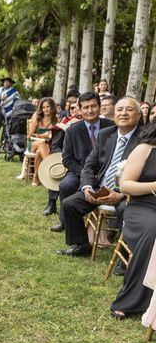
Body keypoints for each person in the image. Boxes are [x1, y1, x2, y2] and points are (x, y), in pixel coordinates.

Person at [58, 97, 142, 257]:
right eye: (120, 109)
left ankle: (124, 257)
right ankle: (82, 246)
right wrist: (87, 187)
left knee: (127, 211)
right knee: (70, 204)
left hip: (125, 193)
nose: (123, 113)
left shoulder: (144, 139)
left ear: (138, 115)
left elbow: (146, 174)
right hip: (100, 189)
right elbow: (90, 165)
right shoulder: (106, 134)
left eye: (129, 110)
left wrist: (123, 194)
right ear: (114, 114)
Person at [110, 121, 156, 318]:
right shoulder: (145, 149)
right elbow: (126, 185)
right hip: (143, 207)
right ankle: (131, 300)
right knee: (154, 231)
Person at [47, 92, 114, 228]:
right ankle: (65, 221)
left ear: (99, 107)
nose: (90, 110)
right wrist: (84, 173)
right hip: (79, 170)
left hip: (107, 172)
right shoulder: (72, 130)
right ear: (80, 110)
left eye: (93, 106)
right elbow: (67, 159)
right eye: (86, 107)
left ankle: (111, 227)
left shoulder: (112, 127)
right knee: (66, 185)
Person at [28, 98, 58, 186]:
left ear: (52, 107)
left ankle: (36, 177)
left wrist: (47, 137)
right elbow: (30, 135)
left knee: (39, 152)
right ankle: (50, 167)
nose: (46, 109)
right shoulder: (37, 118)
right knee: (41, 144)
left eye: (48, 107)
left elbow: (56, 136)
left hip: (48, 144)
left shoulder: (56, 119)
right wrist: (42, 135)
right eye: (44, 107)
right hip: (34, 143)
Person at [0, 77, 19, 143]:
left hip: (9, 110)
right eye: (5, 82)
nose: (6, 83)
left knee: (6, 125)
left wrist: (14, 108)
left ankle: (3, 140)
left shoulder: (14, 91)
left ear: (11, 83)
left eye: (8, 82)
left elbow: (17, 100)